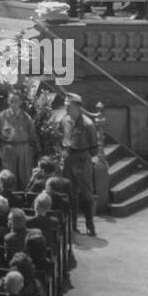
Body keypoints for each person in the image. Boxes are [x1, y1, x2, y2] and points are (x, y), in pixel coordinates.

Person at [60, 93, 99, 237]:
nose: (66, 109)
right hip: (69, 158)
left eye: (68, 106)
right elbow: (61, 137)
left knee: (86, 194)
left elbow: (94, 146)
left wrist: (90, 161)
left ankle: (90, 226)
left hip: (83, 159)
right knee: (70, 193)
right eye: (65, 106)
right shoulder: (65, 121)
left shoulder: (88, 124)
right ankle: (73, 225)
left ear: (77, 107)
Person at [0, 89, 37, 188]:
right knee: (9, 176)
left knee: (24, 176)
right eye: (11, 101)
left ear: (20, 102)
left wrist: (32, 151)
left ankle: (24, 198)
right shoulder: (2, 116)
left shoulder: (26, 117)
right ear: (8, 102)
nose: (13, 104)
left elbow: (32, 136)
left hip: (23, 149)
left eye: (16, 101)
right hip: (8, 149)